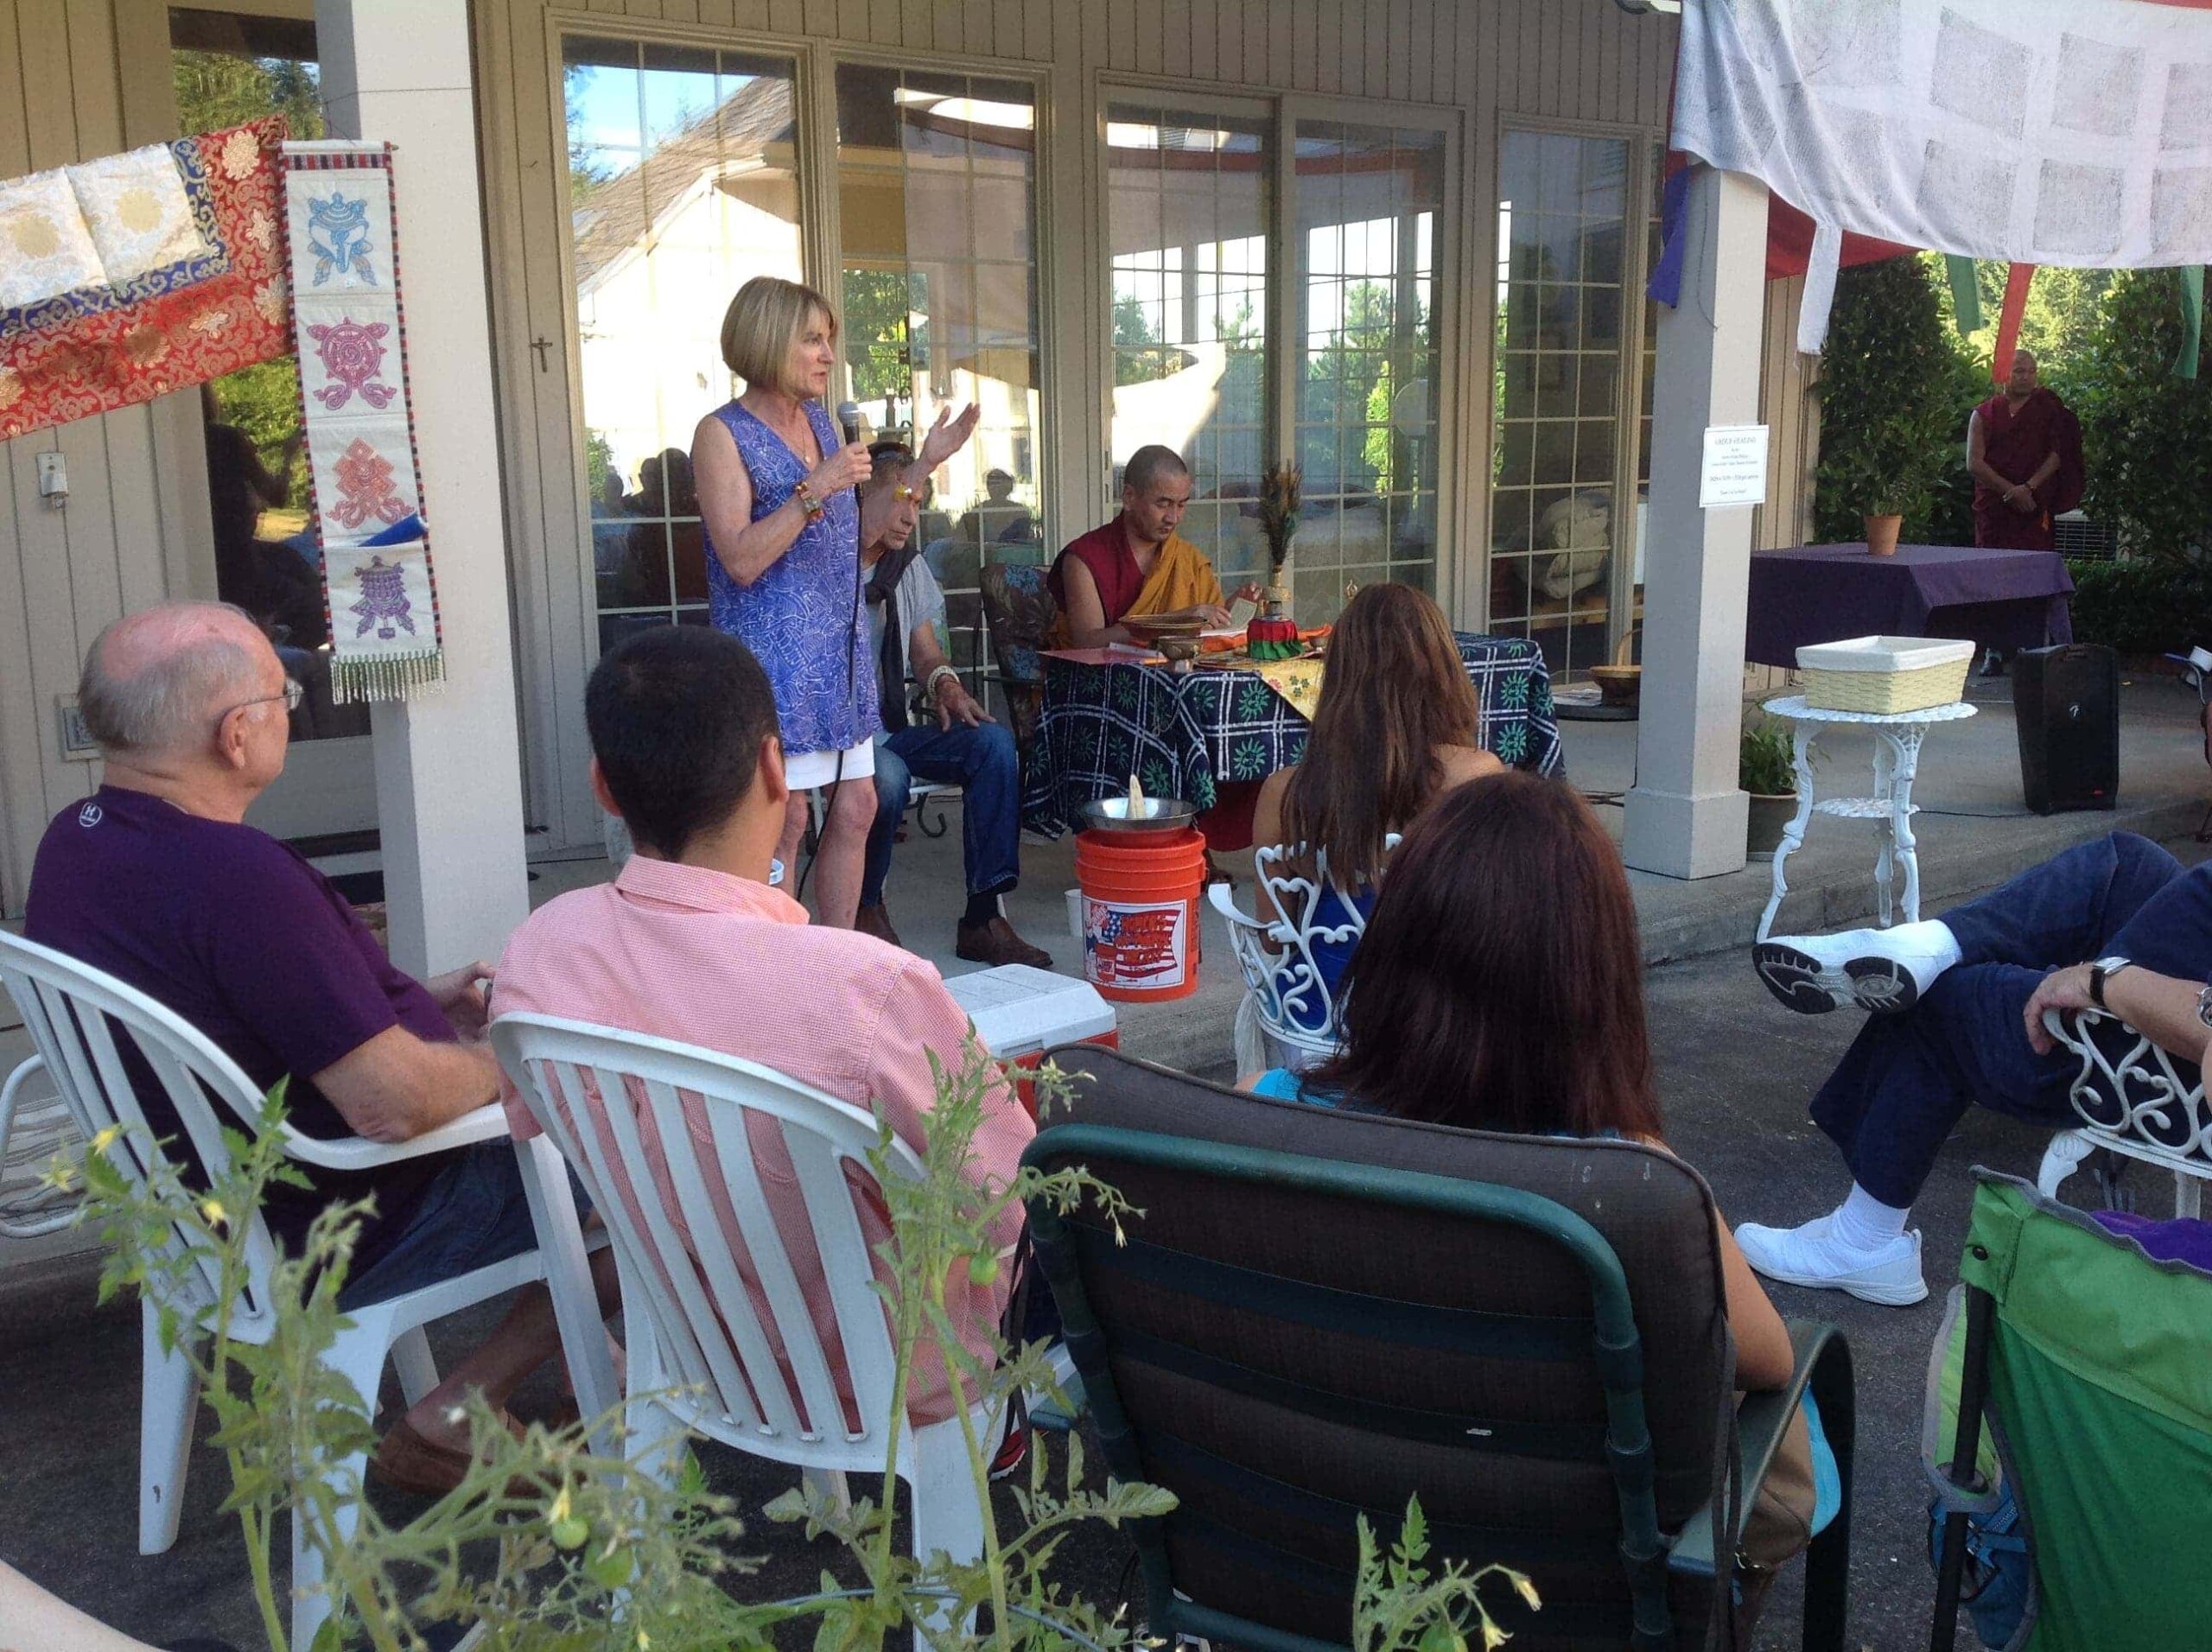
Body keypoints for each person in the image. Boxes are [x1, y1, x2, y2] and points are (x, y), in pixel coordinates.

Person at [22, 602, 613, 1494]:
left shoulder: (77, 841)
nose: (290, 713)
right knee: (644, 1163)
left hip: (192, 1221)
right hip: (331, 1223)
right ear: (236, 734)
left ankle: (584, 1364)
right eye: (283, 696)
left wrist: (407, 1001)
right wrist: (518, 1055)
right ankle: (457, 1411)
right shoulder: (238, 877)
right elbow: (393, 1105)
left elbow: (226, 998)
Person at [1242, 773, 1836, 1630]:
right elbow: (1771, 1361)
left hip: (1305, 1560)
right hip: (1554, 1602)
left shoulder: (1261, 1117)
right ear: (1591, 984)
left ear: (1392, 942)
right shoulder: (1635, 1189)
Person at [490, 625, 1035, 1429]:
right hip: (897, 1375)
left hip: (695, 1354)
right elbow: (1019, 1201)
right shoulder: (869, 988)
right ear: (778, 769)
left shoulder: (544, 950)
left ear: (604, 788)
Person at [1742, 832, 2212, 1305]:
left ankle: (1864, 1242)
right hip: (2177, 984)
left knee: (1945, 1001)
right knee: (2126, 864)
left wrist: (2101, 981)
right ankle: (1928, 945)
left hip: (2155, 1065)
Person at [692, 276, 973, 929]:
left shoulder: (822, 424)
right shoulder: (721, 433)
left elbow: (862, 533)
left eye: (829, 340)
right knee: (785, 818)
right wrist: (814, 488)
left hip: (837, 660)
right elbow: (739, 558)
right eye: (812, 340)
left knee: (859, 806)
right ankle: (776, 964)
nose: (827, 355)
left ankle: (836, 957)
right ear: (767, 341)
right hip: (771, 662)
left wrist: (923, 467)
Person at [1242, 582, 1499, 1055]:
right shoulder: (1475, 776)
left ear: (1337, 677)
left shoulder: (1283, 792)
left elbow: (1274, 941)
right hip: (1434, 1029)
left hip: (1312, 1023)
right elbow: (1491, 926)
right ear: (1444, 670)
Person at [855, 442, 1053, 968]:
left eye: (918, 503)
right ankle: (865, 907)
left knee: (993, 744)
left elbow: (925, 653)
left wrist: (946, 685)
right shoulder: (829, 570)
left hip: (891, 730)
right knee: (888, 777)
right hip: (841, 740)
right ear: (863, 498)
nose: (910, 517)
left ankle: (983, 917)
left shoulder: (907, 567)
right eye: (899, 500)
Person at [1048, 445, 1262, 647]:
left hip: (1180, 671)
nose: (1173, 518)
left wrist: (1227, 615)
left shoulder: (1189, 560)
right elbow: (1087, 643)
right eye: (1163, 504)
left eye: (1181, 505)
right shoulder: (1085, 558)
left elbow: (1203, 636)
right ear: (1129, 497)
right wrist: (1176, 621)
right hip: (1108, 673)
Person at [201, 384, 323, 649]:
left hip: (219, 552)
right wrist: (288, 456)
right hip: (240, 556)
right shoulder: (229, 439)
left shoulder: (184, 447)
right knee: (316, 601)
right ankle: (274, 643)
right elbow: (276, 496)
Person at [956, 467, 1034, 549]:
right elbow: (963, 540)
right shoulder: (978, 510)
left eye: (997, 483)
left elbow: (1027, 539)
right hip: (984, 554)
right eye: (990, 483)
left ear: (1008, 486)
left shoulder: (1018, 510)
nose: (994, 487)